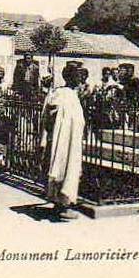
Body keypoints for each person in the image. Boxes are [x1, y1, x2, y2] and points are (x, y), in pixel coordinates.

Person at [41, 64, 86, 220]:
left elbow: (47, 118)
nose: (80, 79)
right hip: (64, 140)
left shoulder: (67, 94)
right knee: (65, 169)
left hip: (69, 140)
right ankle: (63, 207)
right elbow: (50, 116)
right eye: (78, 76)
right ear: (70, 77)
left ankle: (59, 203)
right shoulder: (63, 95)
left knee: (65, 169)